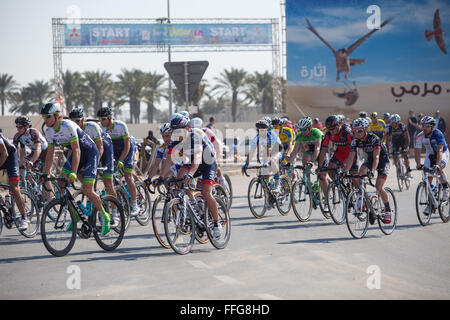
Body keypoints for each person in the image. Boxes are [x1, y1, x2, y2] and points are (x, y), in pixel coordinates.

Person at [40, 101, 112, 235]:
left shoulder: (67, 126)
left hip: (90, 153)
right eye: (44, 117)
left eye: (48, 116)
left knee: (87, 189)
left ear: (57, 116)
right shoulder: (49, 131)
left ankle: (104, 215)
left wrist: (73, 171)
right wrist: (46, 173)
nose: (45, 120)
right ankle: (76, 213)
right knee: (61, 182)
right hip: (76, 154)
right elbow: (50, 153)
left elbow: (77, 149)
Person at [170, 113, 223, 238]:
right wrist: (161, 177)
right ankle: (193, 203)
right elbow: (168, 160)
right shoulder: (175, 140)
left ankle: (217, 223)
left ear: (187, 128)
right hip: (191, 162)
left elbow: (198, 158)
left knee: (206, 193)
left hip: (207, 163)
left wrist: (190, 174)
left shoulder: (196, 135)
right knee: (179, 178)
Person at [69, 107, 119, 226]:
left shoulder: (92, 127)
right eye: (72, 121)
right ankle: (95, 194)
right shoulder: (72, 130)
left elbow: (100, 147)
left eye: (77, 121)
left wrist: (94, 165)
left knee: (107, 182)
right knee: (84, 180)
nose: (74, 124)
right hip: (90, 152)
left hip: (105, 148)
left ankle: (115, 214)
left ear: (83, 120)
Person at [343, 118, 392, 224]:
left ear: (366, 130)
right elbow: (351, 158)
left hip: (382, 161)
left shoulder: (374, 139)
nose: (357, 133)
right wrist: (345, 171)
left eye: (360, 130)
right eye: (354, 131)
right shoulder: (355, 141)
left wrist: (373, 171)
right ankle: (365, 201)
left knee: (378, 187)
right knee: (359, 175)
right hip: (370, 160)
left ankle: (388, 210)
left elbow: (377, 157)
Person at [97, 106, 140, 217]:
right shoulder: (100, 128)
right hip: (113, 149)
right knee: (111, 177)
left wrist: (121, 160)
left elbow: (127, 145)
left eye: (103, 119)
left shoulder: (121, 126)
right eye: (100, 119)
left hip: (127, 148)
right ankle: (120, 194)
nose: (101, 121)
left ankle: (135, 204)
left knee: (128, 176)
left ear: (110, 118)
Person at [13, 115, 53, 204]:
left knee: (46, 175)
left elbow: (38, 148)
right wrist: (20, 164)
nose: (18, 129)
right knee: (25, 169)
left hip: (45, 152)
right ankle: (35, 187)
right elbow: (22, 153)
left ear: (27, 126)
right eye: (17, 127)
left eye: (20, 127)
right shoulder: (18, 137)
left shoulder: (34, 132)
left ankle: (51, 200)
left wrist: (31, 162)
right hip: (34, 152)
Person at [317, 115, 359, 195]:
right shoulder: (328, 133)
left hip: (351, 153)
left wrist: (346, 163)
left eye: (333, 129)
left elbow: (353, 148)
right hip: (340, 153)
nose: (331, 131)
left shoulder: (347, 132)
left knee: (354, 177)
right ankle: (340, 186)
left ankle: (361, 197)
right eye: (329, 129)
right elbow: (323, 150)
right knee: (330, 168)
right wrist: (320, 166)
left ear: (338, 125)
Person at [415, 116, 449, 203]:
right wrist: (418, 163)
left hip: (442, 153)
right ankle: (431, 204)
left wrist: (437, 164)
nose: (424, 128)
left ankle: (445, 187)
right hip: (430, 155)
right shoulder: (420, 136)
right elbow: (417, 152)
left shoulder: (438, 134)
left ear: (432, 126)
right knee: (427, 179)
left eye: (427, 126)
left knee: (439, 168)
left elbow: (440, 151)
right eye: (423, 126)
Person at [243, 119, 282, 192]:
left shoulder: (271, 135)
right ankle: (268, 194)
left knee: (272, 160)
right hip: (267, 152)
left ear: (267, 129)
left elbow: (270, 149)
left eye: (263, 129)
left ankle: (277, 184)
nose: (260, 131)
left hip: (277, 150)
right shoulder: (257, 137)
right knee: (265, 173)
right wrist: (246, 164)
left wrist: (266, 162)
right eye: (258, 129)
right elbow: (251, 152)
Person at [0, 131, 28, 231]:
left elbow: (4, 153)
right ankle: (5, 204)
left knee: (14, 188)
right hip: (1, 157)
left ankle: (24, 217)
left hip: (9, 156)